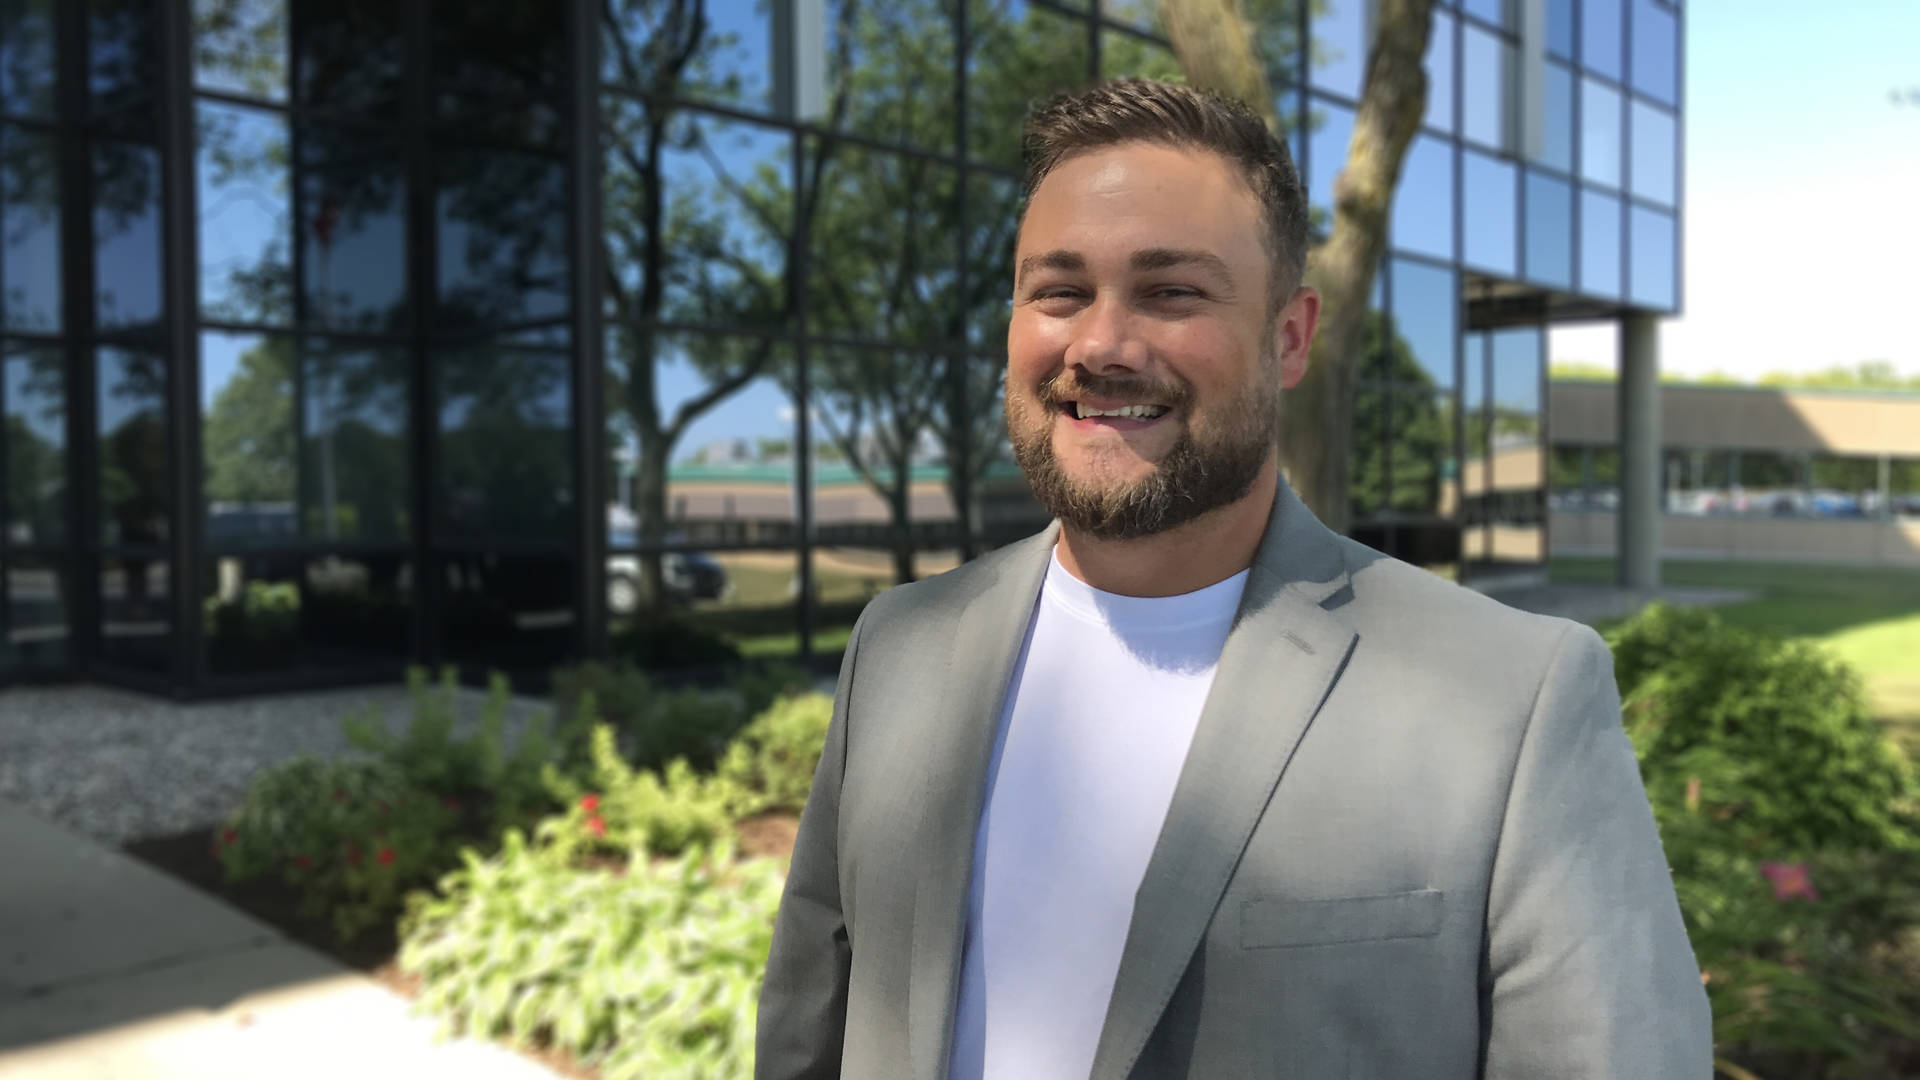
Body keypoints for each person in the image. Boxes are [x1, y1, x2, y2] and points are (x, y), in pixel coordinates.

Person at [756, 78, 1711, 1080]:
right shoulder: (899, 646)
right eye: (1059, 291)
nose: (1100, 344)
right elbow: (806, 1034)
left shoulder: (1512, 700)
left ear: (1290, 337)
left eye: (1172, 292)